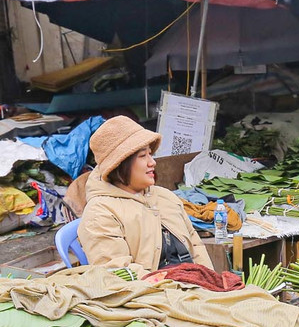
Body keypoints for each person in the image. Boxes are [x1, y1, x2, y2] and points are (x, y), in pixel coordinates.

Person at [77, 116, 214, 272]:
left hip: (193, 286)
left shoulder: (165, 197)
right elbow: (118, 273)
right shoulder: (100, 212)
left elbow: (196, 245)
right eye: (143, 156)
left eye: (151, 154)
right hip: (153, 292)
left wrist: (210, 281)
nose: (152, 162)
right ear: (120, 164)